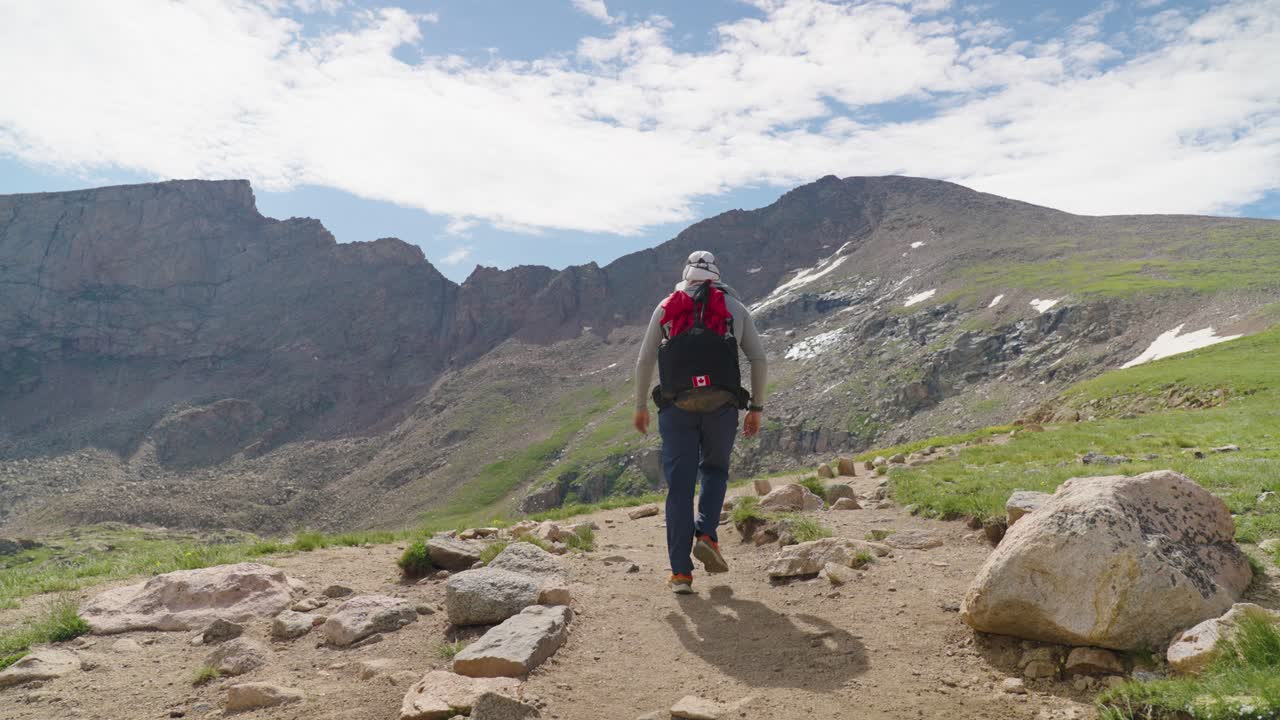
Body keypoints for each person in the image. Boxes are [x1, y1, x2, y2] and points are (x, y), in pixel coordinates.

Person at [633, 250, 767, 594]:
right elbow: (758, 358)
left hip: (677, 407)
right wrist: (756, 407)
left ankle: (681, 574)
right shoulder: (734, 308)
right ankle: (707, 533)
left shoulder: (667, 306)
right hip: (722, 404)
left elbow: (646, 359)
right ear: (716, 276)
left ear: (686, 275)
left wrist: (640, 406)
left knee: (679, 488)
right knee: (715, 470)